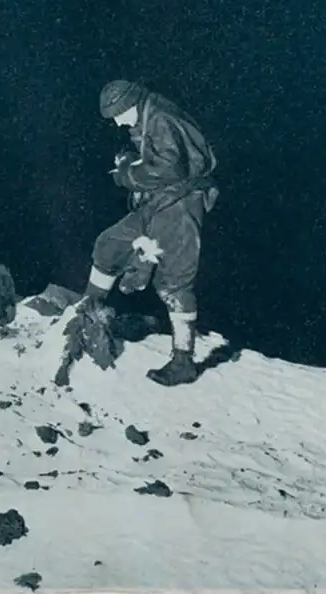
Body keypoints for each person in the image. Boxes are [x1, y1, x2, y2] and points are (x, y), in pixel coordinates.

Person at [78, 79, 220, 386]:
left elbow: (171, 168)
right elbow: (161, 159)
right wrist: (133, 162)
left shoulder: (161, 119)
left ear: (129, 104)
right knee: (109, 246)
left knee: (174, 283)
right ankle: (84, 315)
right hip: (159, 200)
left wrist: (127, 175)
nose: (117, 122)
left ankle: (183, 361)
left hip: (181, 206)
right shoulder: (149, 114)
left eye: (118, 114)